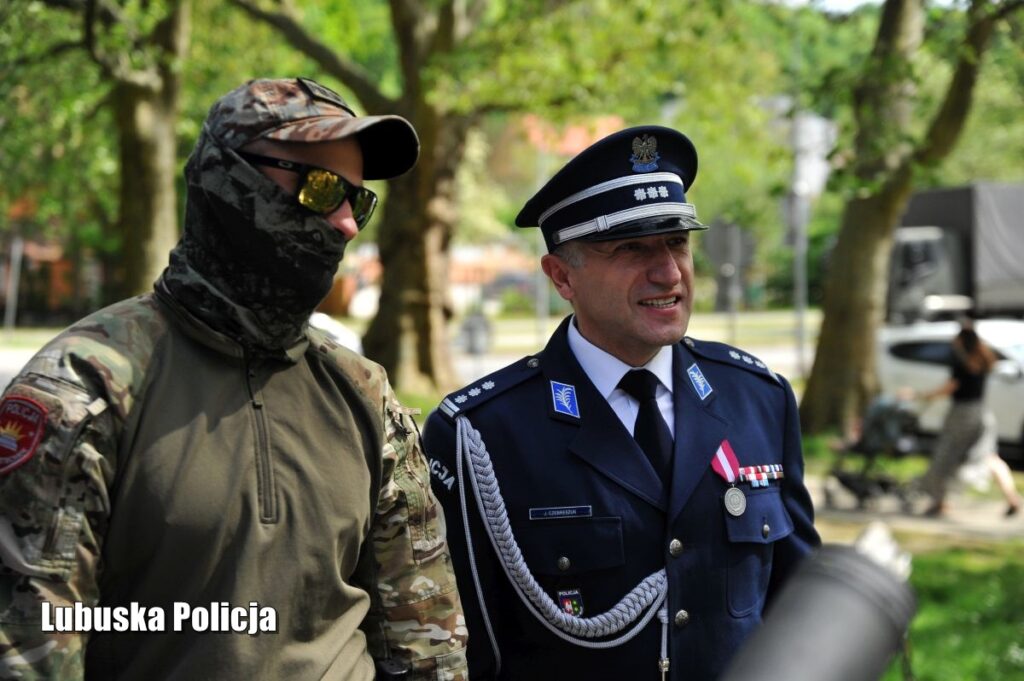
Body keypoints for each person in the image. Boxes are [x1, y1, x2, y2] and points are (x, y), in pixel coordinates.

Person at [0, 78, 467, 679]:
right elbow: (32, 646)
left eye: (359, 199)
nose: (347, 225)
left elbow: (427, 640)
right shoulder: (85, 387)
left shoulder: (364, 393)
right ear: (228, 179)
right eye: (322, 189)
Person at [422, 126, 820, 680]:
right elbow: (465, 650)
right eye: (633, 247)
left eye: (677, 241)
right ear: (562, 276)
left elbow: (797, 610)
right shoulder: (482, 434)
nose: (669, 271)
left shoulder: (758, 399)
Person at [913, 320, 1023, 518]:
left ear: (961, 340)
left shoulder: (961, 362)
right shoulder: (984, 359)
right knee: (990, 457)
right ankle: (1012, 497)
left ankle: (939, 502)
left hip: (962, 415)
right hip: (981, 413)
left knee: (946, 455)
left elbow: (950, 388)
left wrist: (922, 395)